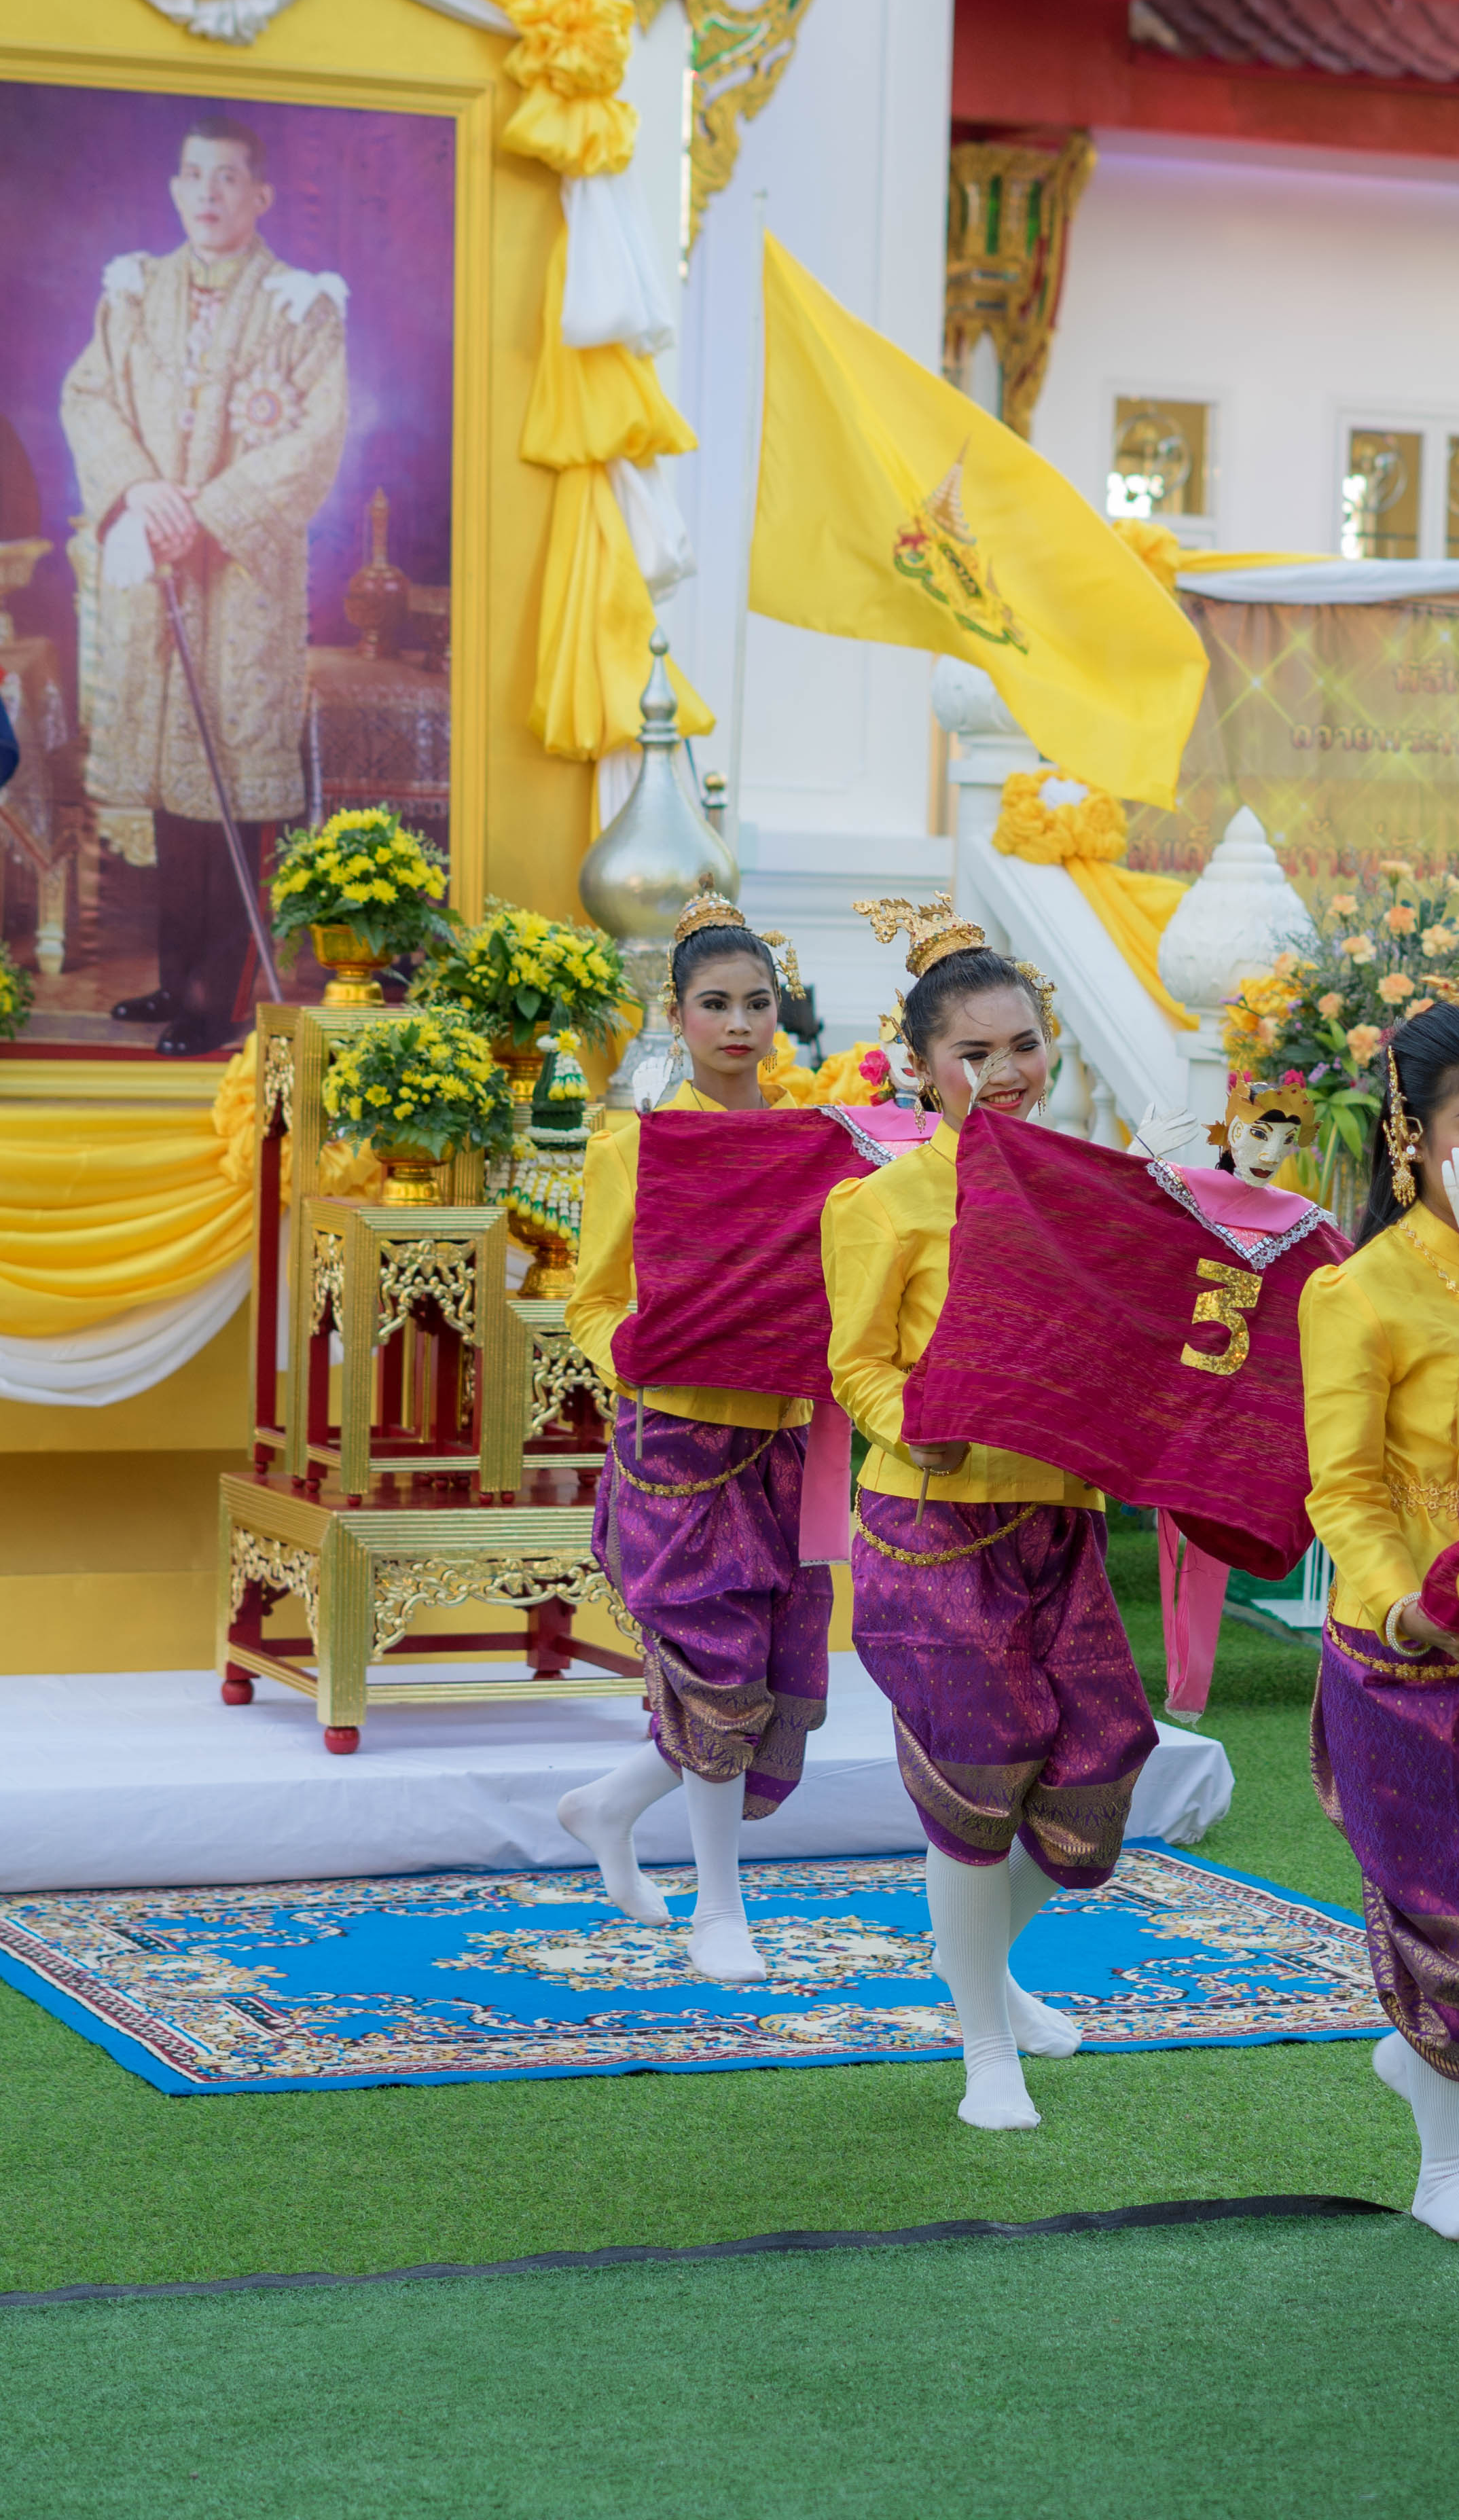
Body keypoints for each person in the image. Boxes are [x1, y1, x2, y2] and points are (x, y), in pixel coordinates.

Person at [821, 897, 1150, 2129]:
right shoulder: (886, 1202)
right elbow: (858, 1367)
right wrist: (919, 1422)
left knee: (1102, 1767)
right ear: (919, 1066)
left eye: (1024, 1045)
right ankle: (982, 2048)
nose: (1008, 1073)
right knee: (977, 1777)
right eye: (975, 1053)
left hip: (1057, 1521)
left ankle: (980, 1966)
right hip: (930, 1526)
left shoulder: (1096, 1191)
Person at [1297, 996, 1459, 2243]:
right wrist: (1407, 1606)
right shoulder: (1363, 1294)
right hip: (1409, 1656)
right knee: (1457, 1910)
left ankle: (1428, 2065)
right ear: (1412, 1135)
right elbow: (1342, 1488)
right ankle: (1447, 2160)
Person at [556, 894, 835, 1985]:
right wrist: (639, 1354)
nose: (738, 1024)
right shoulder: (640, 1145)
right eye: (714, 1004)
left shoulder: (816, 1145)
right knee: (717, 1673)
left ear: (780, 1017)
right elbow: (593, 1302)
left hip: (785, 1442)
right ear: (675, 1017)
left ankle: (609, 1804)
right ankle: (722, 1908)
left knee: (764, 1675)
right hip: (675, 1441)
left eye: (757, 1005)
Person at [62, 111, 353, 1056]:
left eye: (229, 179)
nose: (210, 195)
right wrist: (144, 494)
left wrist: (212, 511)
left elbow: (318, 438)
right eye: (195, 177)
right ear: (176, 189)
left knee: (227, 783)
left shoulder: (301, 306)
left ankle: (217, 997)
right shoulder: (133, 293)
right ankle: (172, 977)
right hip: (154, 560)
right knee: (165, 786)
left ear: (259, 196)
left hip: (243, 581)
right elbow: (90, 395)